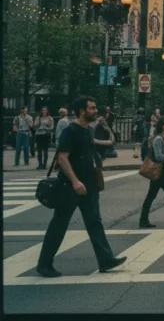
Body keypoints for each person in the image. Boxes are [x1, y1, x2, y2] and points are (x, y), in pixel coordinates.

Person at [36, 96, 127, 277]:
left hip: (89, 186)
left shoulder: (88, 130)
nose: (95, 111)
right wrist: (75, 181)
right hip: (70, 187)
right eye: (92, 108)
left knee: (95, 223)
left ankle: (106, 260)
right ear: (82, 111)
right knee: (59, 224)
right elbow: (62, 158)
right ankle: (44, 264)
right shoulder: (71, 131)